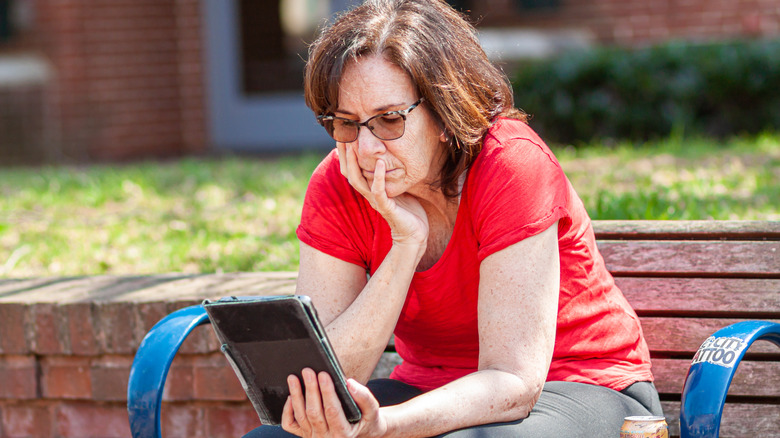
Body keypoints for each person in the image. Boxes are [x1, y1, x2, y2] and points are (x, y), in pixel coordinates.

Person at [245, 0, 663, 436]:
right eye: (346, 122)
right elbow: (324, 386)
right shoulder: (339, 182)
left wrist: (383, 427)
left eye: (389, 120)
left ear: (445, 111)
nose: (366, 149)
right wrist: (405, 246)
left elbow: (514, 382)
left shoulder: (510, 165)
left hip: (578, 385)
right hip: (430, 389)